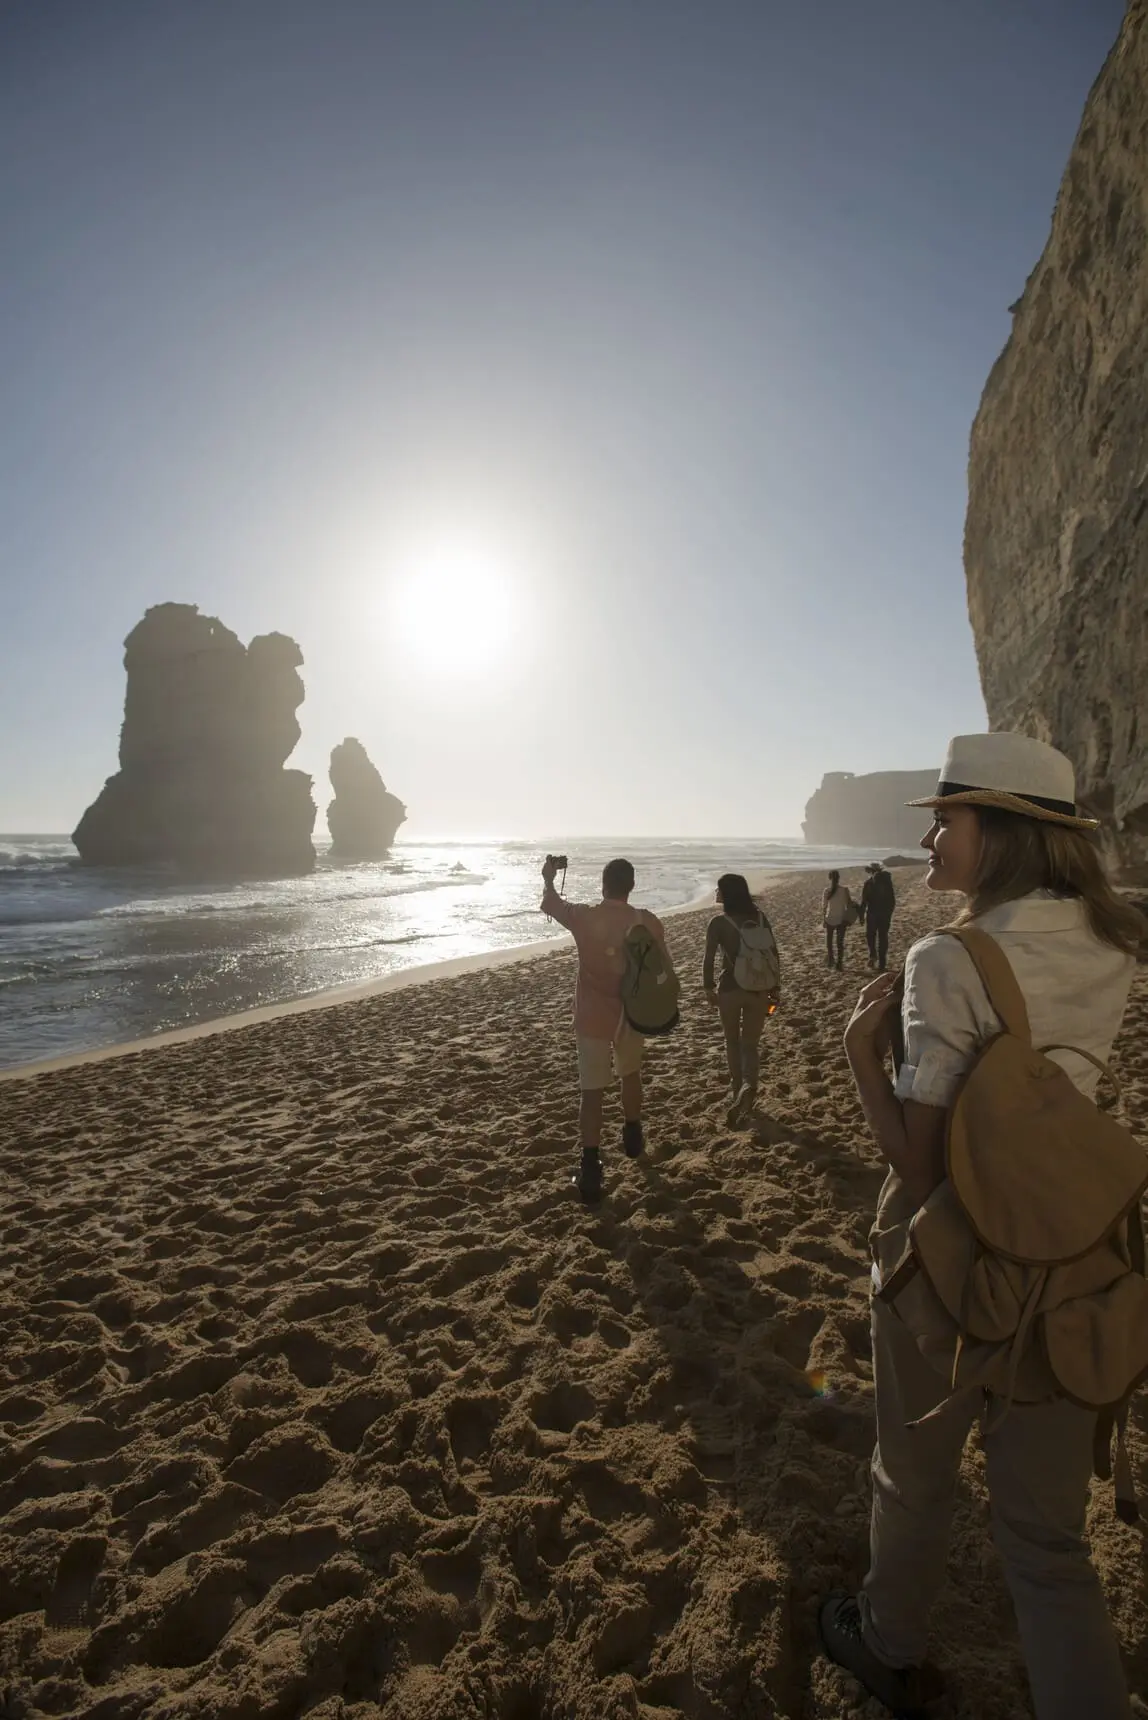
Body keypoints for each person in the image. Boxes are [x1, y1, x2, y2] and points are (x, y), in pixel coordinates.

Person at [819, 732, 1144, 1720]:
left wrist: (857, 1052)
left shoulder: (947, 957)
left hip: (946, 1248)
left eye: (944, 819)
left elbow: (918, 1164)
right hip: (1071, 1245)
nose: (926, 835)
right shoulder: (1108, 942)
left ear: (1000, 832)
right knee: (1045, 1539)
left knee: (912, 1470)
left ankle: (888, 1641)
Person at [540, 854, 671, 1202]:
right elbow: (662, 963)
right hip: (633, 1013)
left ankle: (591, 1166)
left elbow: (551, 905)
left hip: (592, 1016)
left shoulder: (586, 917)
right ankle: (632, 1130)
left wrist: (550, 878)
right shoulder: (647, 921)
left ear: (603, 884)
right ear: (631, 886)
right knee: (631, 1074)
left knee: (592, 1091)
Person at [702, 872, 780, 1126]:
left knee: (732, 1042)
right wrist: (775, 988)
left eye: (719, 889)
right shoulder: (759, 917)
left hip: (729, 990)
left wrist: (708, 987)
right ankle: (750, 1085)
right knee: (750, 1044)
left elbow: (709, 958)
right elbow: (773, 954)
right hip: (759, 989)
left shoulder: (718, 923)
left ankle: (738, 1090)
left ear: (727, 894)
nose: (716, 893)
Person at [860, 860, 897, 971]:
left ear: (870, 871)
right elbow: (892, 900)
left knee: (870, 935)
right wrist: (889, 912)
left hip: (872, 913)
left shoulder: (868, 883)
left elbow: (864, 902)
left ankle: (872, 955)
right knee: (883, 937)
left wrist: (861, 916)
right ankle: (882, 963)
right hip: (885, 913)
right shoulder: (887, 882)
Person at [822, 869, 852, 970]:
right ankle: (839, 963)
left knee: (829, 941)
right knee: (840, 942)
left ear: (829, 878)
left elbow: (824, 907)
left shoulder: (827, 891)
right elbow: (849, 905)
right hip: (841, 919)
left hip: (830, 918)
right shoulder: (845, 890)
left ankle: (831, 959)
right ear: (839, 878)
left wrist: (823, 920)